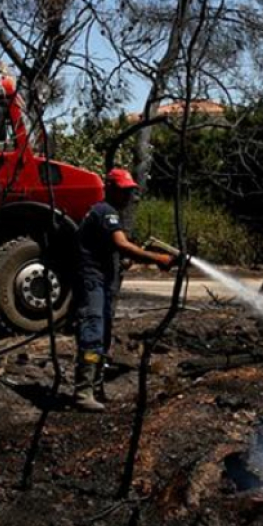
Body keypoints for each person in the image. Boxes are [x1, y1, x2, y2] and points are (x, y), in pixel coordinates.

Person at [72, 168, 176, 412]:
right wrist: (157, 259)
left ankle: (94, 388)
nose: (128, 196)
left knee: (104, 333)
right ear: (110, 189)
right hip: (92, 283)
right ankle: (83, 392)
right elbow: (121, 244)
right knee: (94, 331)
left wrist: (128, 260)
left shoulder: (102, 212)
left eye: (130, 191)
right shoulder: (106, 212)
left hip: (98, 282)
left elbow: (111, 249)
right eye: (123, 191)